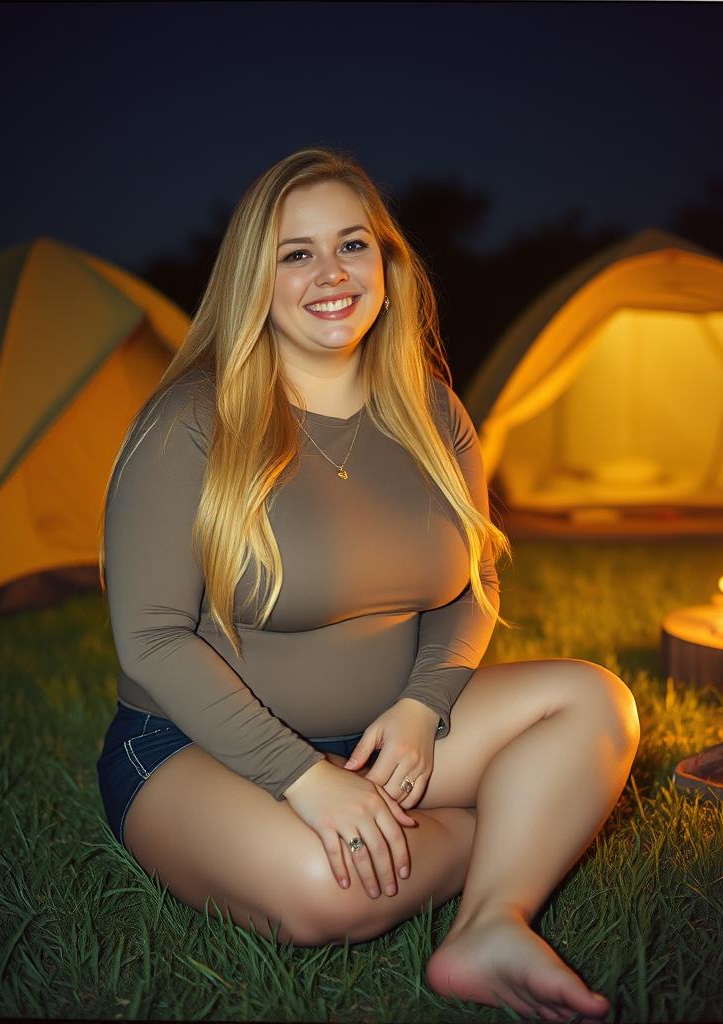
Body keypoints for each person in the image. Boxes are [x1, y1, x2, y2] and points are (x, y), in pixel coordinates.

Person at [96, 148, 640, 1022]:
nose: (331, 273)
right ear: (253, 279)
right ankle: (519, 824)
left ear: (388, 264)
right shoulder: (192, 421)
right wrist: (305, 780)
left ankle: (490, 922)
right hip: (194, 748)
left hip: (386, 740)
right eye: (295, 253)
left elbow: (476, 579)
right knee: (327, 888)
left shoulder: (432, 412)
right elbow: (153, 639)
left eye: (352, 244)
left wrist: (425, 707)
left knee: (596, 703)